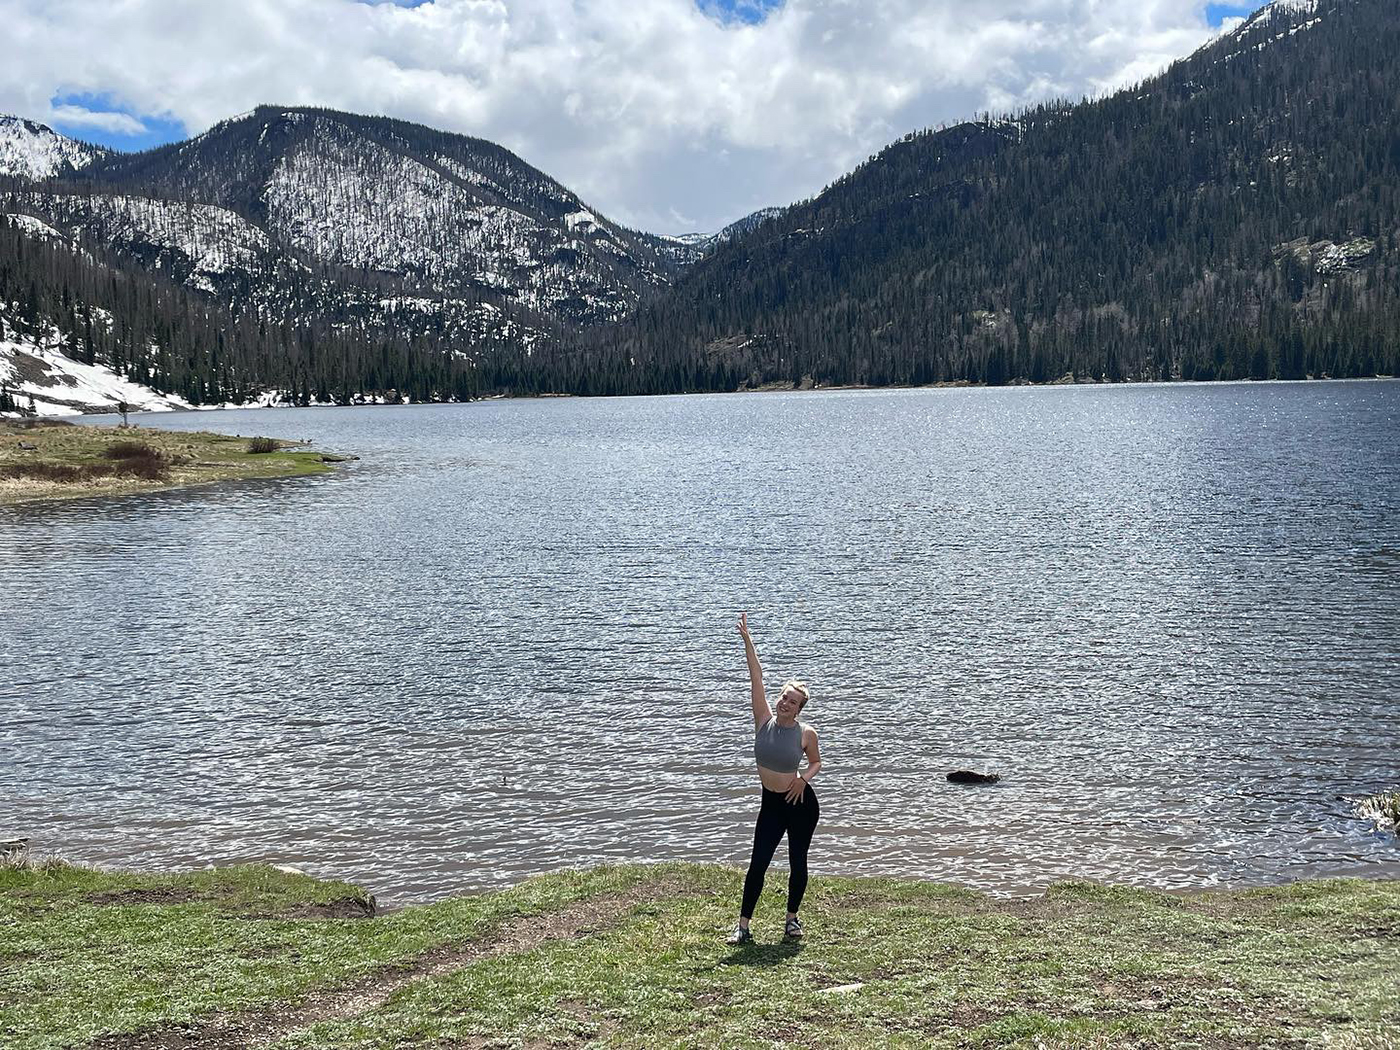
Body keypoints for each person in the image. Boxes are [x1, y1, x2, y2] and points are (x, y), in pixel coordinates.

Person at [727, 612, 822, 944]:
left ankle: (792, 920)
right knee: (759, 863)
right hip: (771, 804)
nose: (784, 703)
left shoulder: (805, 733)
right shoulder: (763, 719)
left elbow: (816, 762)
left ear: (799, 709)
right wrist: (747, 641)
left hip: (800, 805)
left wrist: (803, 779)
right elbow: (757, 676)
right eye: (783, 697)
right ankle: (743, 927)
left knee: (798, 861)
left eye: (791, 702)